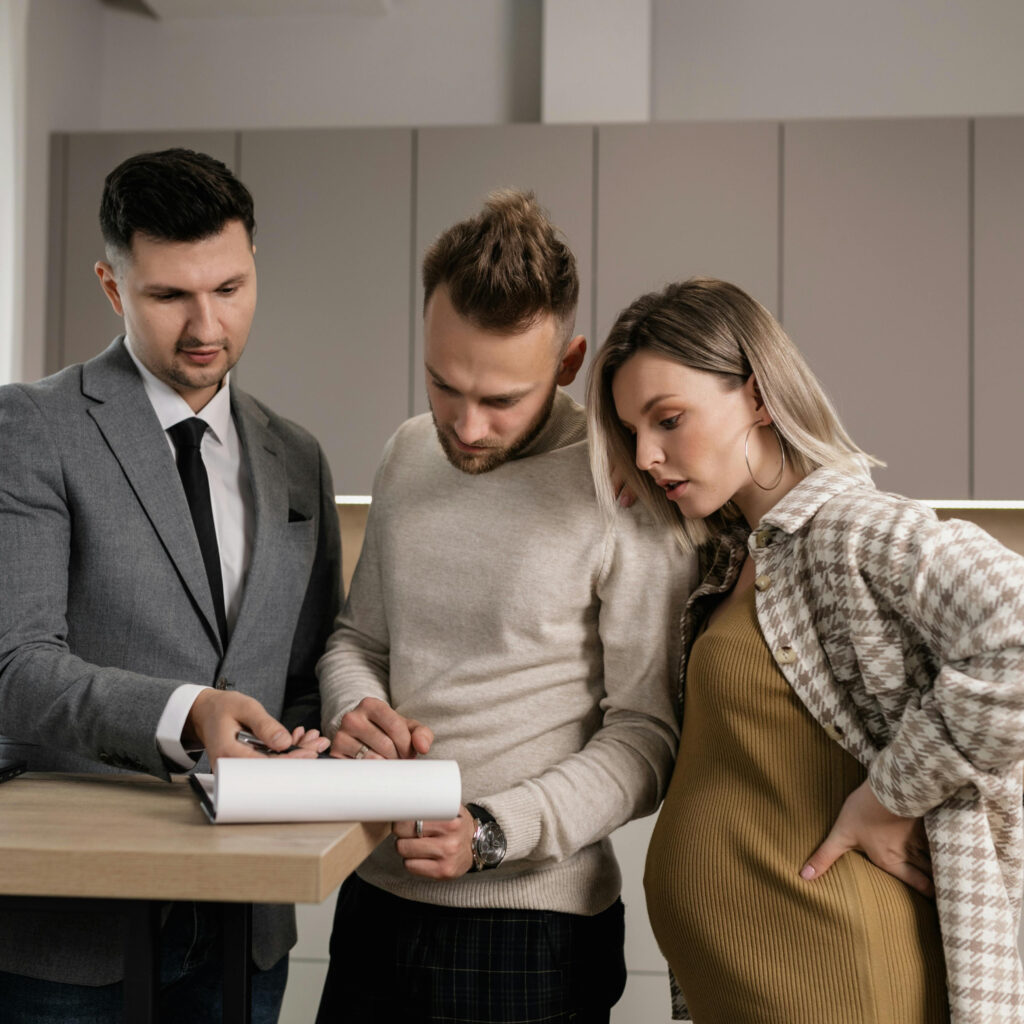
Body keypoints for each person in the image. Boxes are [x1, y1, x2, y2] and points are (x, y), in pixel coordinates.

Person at [587, 275, 1024, 1024]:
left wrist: (889, 797)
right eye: (632, 434)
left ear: (757, 398)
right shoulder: (740, 556)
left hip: (833, 975)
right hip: (762, 983)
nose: (649, 455)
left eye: (668, 420)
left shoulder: (851, 530)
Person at [315, 189, 695, 1024]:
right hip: (373, 895)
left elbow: (647, 736)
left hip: (534, 932)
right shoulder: (408, 452)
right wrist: (358, 706)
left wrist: (493, 830)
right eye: (444, 385)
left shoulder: (623, 488)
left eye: (502, 401)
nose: (468, 426)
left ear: (569, 364)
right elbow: (357, 640)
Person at [0, 148, 342, 1023]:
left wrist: (328, 733)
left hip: (245, 930)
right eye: (168, 296)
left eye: (229, 288)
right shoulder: (32, 429)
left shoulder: (297, 457)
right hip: (71, 937)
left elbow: (302, 672)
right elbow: (16, 669)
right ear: (114, 290)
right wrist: (188, 711)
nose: (206, 325)